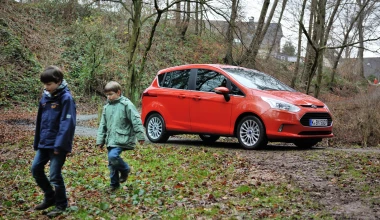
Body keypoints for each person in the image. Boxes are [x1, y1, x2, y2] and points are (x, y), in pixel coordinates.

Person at [31, 66, 76, 217]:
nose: (46, 87)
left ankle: (61, 205)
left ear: (58, 81)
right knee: (36, 169)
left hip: (58, 144)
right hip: (44, 142)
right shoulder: (45, 97)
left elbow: (67, 124)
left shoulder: (66, 98)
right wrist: (37, 142)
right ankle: (50, 196)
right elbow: (40, 121)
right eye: (44, 84)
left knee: (55, 175)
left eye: (49, 84)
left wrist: (60, 144)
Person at [96, 81, 145, 192]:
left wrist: (140, 136)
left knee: (113, 157)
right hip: (110, 139)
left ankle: (125, 169)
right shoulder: (106, 107)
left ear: (118, 92)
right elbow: (102, 124)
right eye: (107, 95)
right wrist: (100, 140)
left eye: (111, 94)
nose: (109, 97)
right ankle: (114, 185)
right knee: (111, 163)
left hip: (122, 137)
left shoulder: (126, 104)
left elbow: (135, 119)